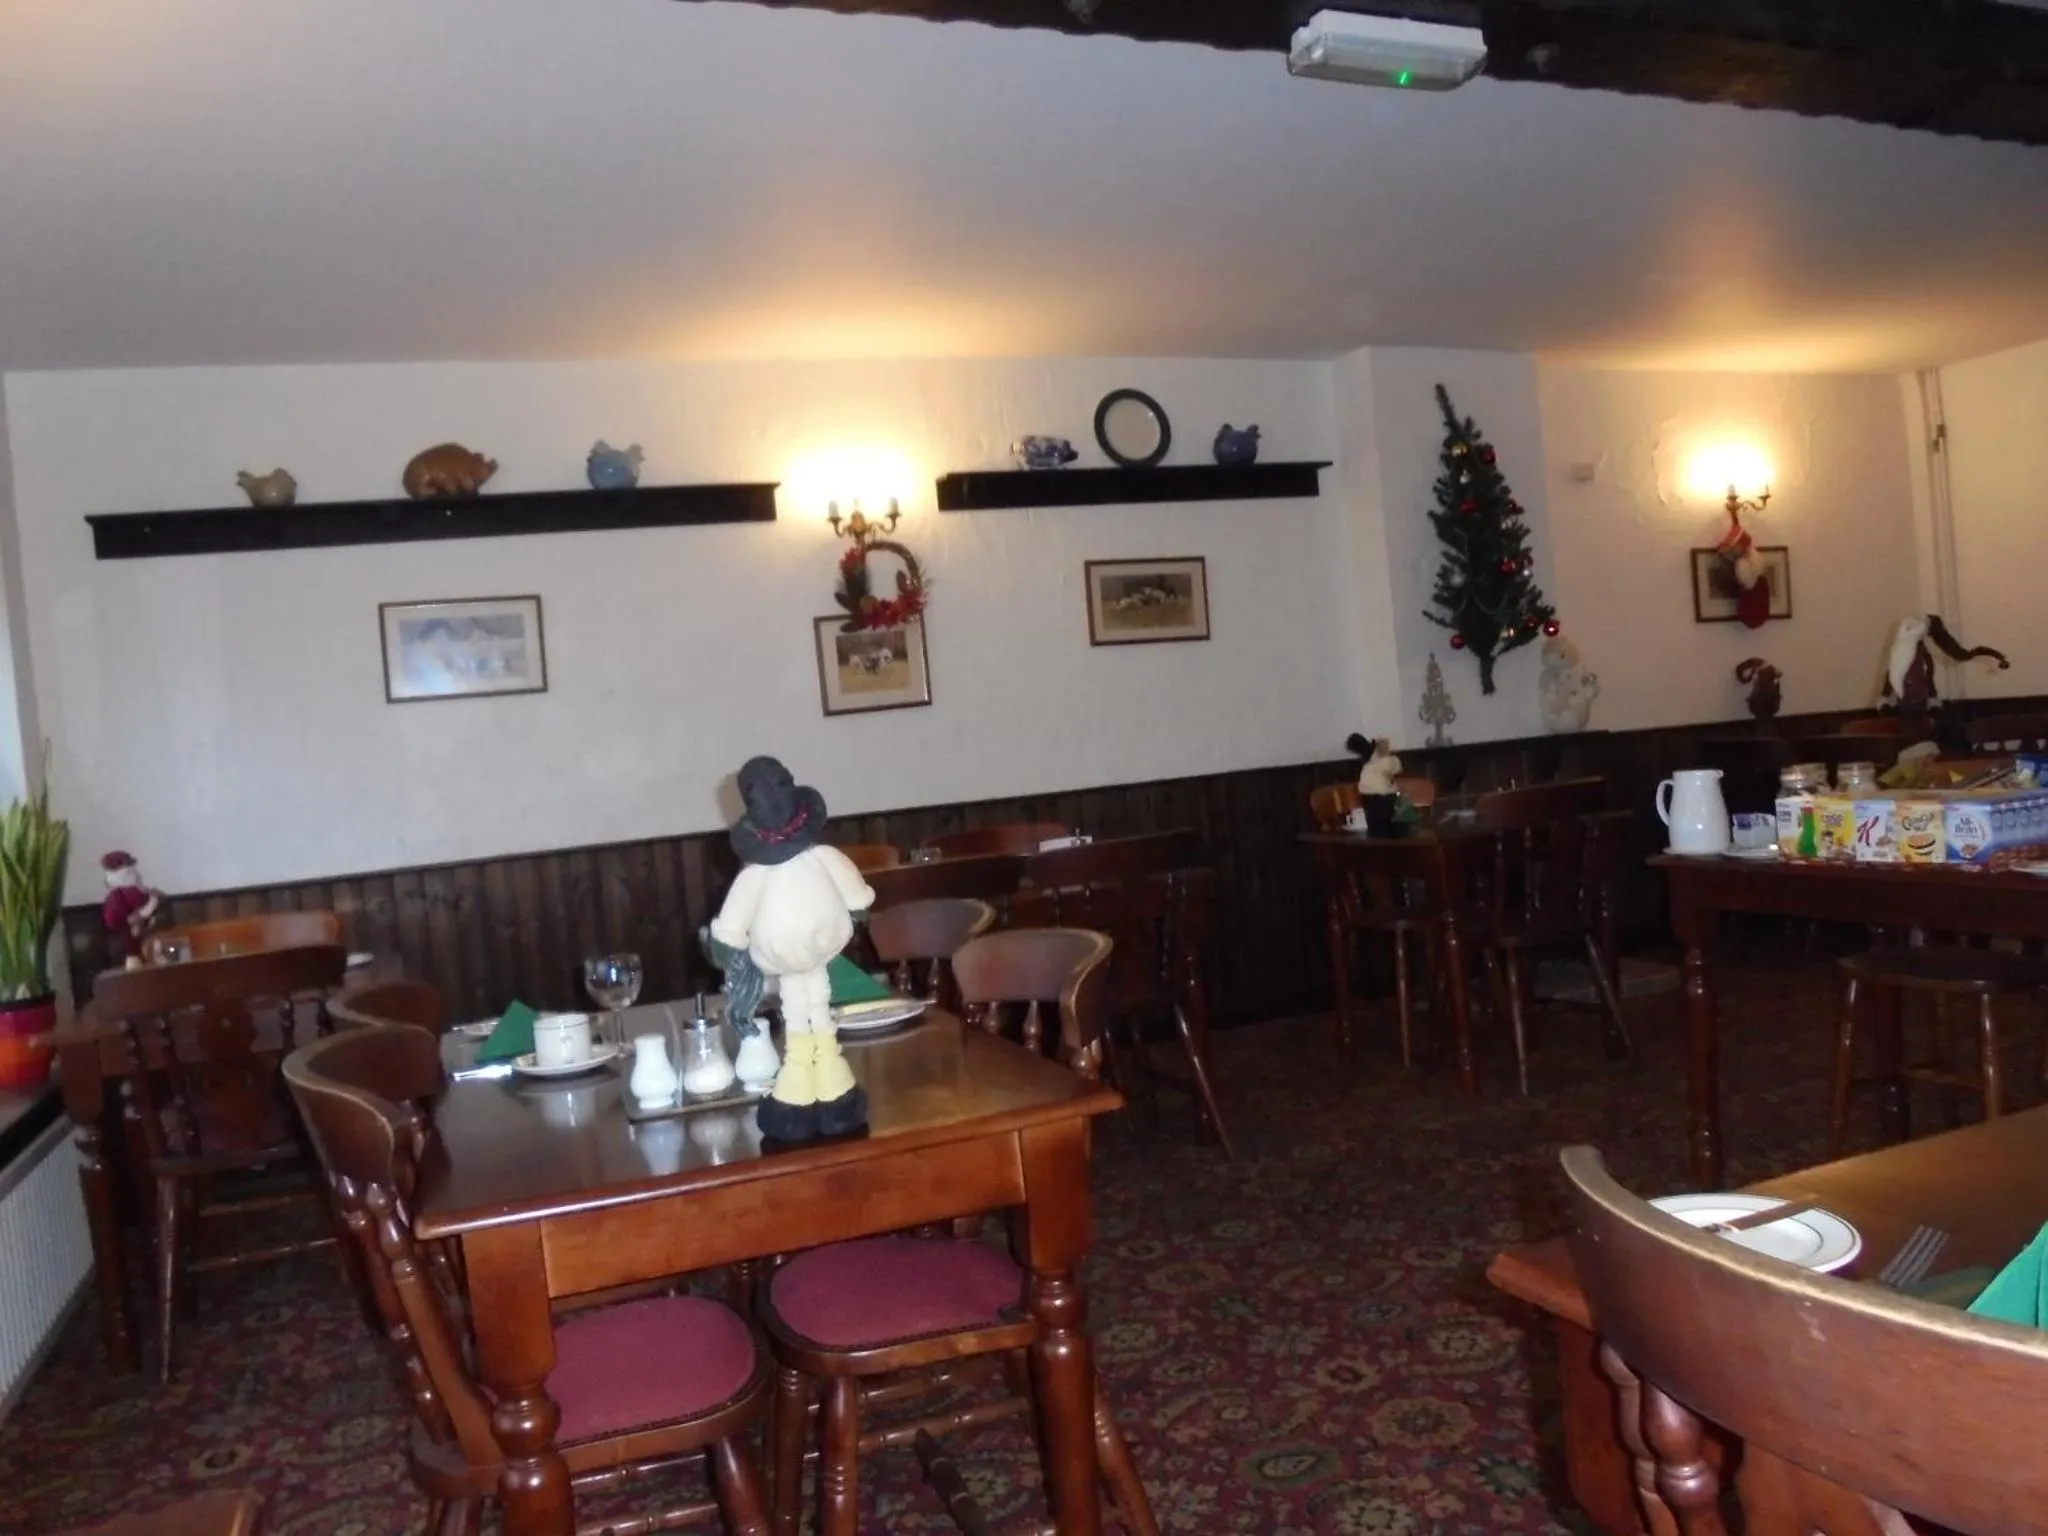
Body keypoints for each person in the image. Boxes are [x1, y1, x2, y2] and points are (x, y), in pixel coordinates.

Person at [709, 758, 875, 1141]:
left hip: (794, 959)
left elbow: (730, 929)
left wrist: (724, 948)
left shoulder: (759, 875)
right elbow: (857, 897)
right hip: (810, 956)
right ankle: (834, 1090)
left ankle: (798, 1095)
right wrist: (859, 908)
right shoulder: (818, 859)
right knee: (813, 1010)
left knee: (804, 1012)